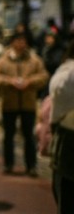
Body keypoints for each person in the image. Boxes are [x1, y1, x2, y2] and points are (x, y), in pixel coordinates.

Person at [0, 32, 49, 177]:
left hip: (28, 104)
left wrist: (29, 81)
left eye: (23, 41)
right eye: (17, 41)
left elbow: (43, 76)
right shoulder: (4, 60)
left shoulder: (34, 60)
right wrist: (10, 82)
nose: (20, 44)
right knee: (8, 136)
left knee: (29, 136)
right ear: (12, 43)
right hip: (9, 103)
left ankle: (31, 166)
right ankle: (8, 164)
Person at [49, 40, 74, 214]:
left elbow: (59, 93)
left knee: (66, 193)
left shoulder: (70, 71)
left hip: (69, 137)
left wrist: (54, 120)